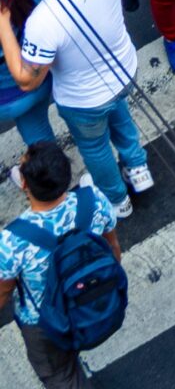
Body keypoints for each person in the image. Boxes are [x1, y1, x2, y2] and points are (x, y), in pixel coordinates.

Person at [0, 0, 142, 214]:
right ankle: (138, 169)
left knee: (93, 147)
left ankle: (117, 200)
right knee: (120, 117)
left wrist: (3, 21)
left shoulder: (44, 21)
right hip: (123, 72)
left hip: (76, 99)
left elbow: (27, 80)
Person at [0, 141, 124, 389]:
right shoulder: (94, 201)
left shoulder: (12, 240)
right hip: (91, 298)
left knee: (60, 375)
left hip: (44, 322)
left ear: (24, 184)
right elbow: (113, 249)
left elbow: (3, 292)